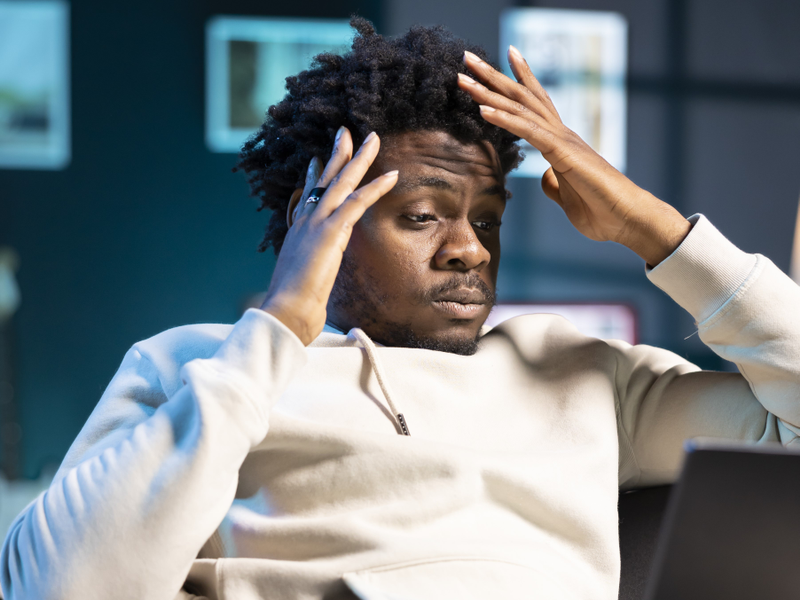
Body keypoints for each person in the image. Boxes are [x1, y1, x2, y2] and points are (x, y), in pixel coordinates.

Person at [2, 17, 799, 600]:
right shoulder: (198, 366)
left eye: (485, 219)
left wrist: (653, 230)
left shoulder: (585, 373)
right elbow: (64, 587)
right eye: (422, 217)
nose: (470, 250)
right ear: (317, 223)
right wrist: (279, 330)